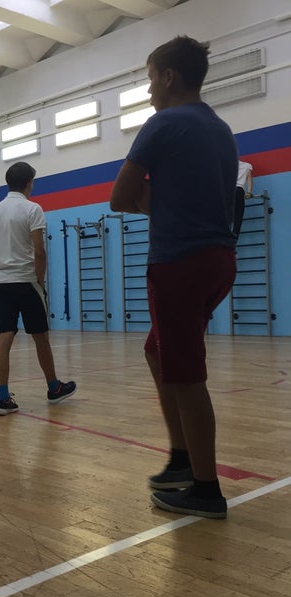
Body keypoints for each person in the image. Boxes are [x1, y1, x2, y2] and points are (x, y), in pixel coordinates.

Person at [110, 36, 238, 519]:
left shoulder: (163, 123)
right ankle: (182, 458)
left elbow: (119, 197)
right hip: (219, 259)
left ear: (168, 77)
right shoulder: (220, 127)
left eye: (150, 80)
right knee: (158, 352)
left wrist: (151, 199)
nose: (148, 91)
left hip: (180, 262)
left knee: (185, 375)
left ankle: (206, 489)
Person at [0, 161, 76, 415]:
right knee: (40, 336)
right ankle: (54, 388)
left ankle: (3, 398)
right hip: (26, 281)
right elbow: (39, 252)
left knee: (5, 337)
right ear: (29, 183)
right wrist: (40, 280)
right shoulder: (33, 209)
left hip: (1, 283)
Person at [232, 160, 253, 238]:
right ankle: (234, 237)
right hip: (239, 190)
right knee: (238, 216)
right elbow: (250, 180)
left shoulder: (227, 165)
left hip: (228, 191)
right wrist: (249, 192)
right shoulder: (247, 165)